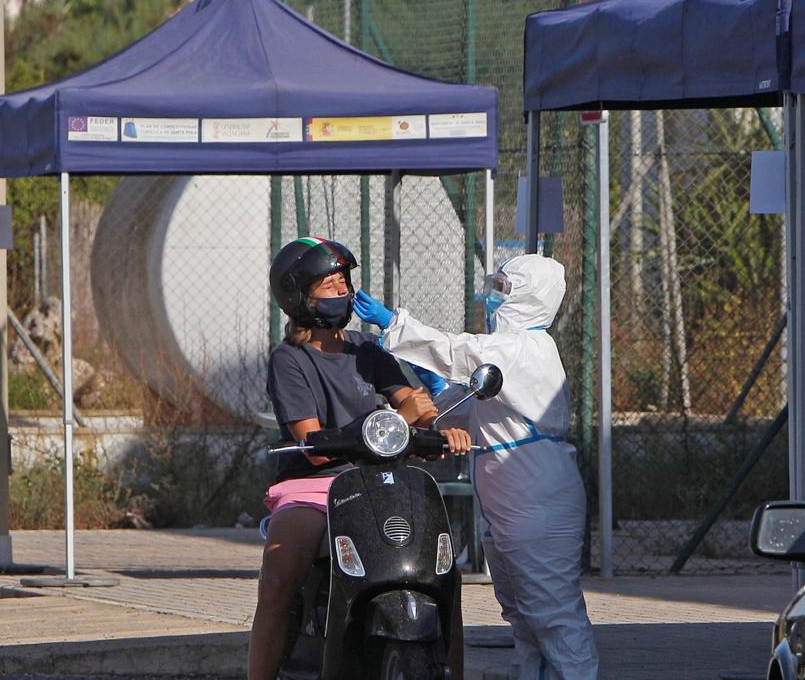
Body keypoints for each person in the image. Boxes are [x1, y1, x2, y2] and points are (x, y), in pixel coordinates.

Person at [354, 253, 599, 680]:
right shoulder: (509, 353)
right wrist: (438, 388)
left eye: (504, 289)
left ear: (529, 296)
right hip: (511, 499)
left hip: (535, 498)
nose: (493, 298)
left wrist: (394, 323)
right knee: (524, 618)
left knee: (555, 616)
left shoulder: (524, 348)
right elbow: (467, 412)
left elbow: (459, 350)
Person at [250, 236, 470, 680]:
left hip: (384, 477)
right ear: (299, 297)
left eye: (344, 282)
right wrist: (400, 417)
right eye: (329, 285)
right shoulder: (289, 359)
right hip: (313, 486)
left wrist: (441, 432)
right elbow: (310, 441)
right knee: (279, 576)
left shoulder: (368, 350)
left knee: (446, 577)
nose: (342, 292)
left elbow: (416, 407)